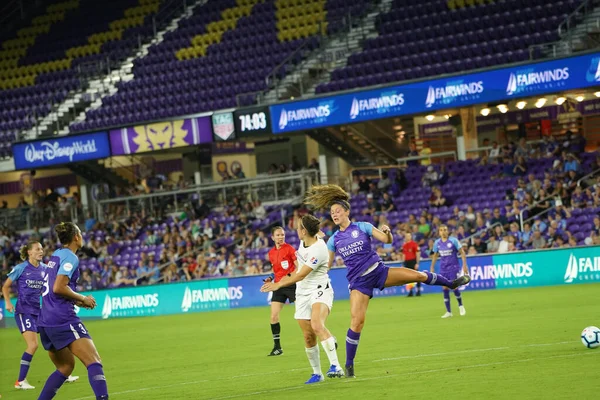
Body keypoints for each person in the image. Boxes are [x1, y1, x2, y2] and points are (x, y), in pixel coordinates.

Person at [303, 185, 470, 378]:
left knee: (418, 275)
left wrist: (388, 233)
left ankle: (452, 283)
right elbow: (327, 265)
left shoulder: (363, 226)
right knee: (357, 322)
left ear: (347, 211)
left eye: (338, 211)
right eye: (332, 213)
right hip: (359, 283)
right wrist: (311, 268)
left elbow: (386, 240)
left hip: (380, 271)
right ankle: (349, 367)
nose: (334, 214)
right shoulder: (333, 240)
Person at [261, 215, 344, 383]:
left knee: (316, 325)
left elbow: (301, 274)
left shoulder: (318, 250)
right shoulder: (305, 240)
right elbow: (318, 232)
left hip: (320, 290)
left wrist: (278, 285)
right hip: (302, 293)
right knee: (308, 335)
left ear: (304, 231)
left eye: (299, 227)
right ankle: (317, 374)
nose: (296, 230)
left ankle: (336, 366)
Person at [37, 222, 109, 400]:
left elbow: (56, 288)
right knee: (94, 361)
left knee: (65, 367)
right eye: (81, 233)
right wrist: (83, 298)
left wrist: (77, 299)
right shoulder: (71, 257)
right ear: (76, 237)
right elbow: (58, 287)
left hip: (45, 320)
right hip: (61, 318)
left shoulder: (56, 255)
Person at [1, 241, 79, 390]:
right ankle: (20, 381)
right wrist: (8, 302)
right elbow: (5, 286)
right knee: (33, 345)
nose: (41, 251)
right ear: (29, 252)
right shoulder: (21, 268)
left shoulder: (45, 269)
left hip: (41, 312)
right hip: (24, 312)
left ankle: (64, 373)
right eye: (37, 249)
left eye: (42, 249)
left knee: (54, 341)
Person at [264, 226, 298, 356]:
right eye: (278, 235)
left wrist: (288, 278)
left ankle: (325, 337)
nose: (281, 237)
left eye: (282, 235)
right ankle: (277, 347)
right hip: (278, 286)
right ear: (273, 237)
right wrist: (270, 278)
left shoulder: (290, 249)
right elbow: (275, 270)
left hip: (291, 285)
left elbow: (298, 268)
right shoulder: (271, 253)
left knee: (304, 315)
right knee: (273, 316)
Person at [429, 225, 470, 319]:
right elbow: (435, 255)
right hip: (443, 268)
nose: (443, 232)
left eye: (445, 230)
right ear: (439, 232)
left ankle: (460, 306)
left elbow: (462, 253)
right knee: (445, 288)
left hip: (453, 267)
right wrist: (432, 267)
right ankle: (448, 312)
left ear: (448, 231)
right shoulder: (437, 243)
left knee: (454, 286)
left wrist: (464, 265)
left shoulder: (453, 240)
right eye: (441, 230)